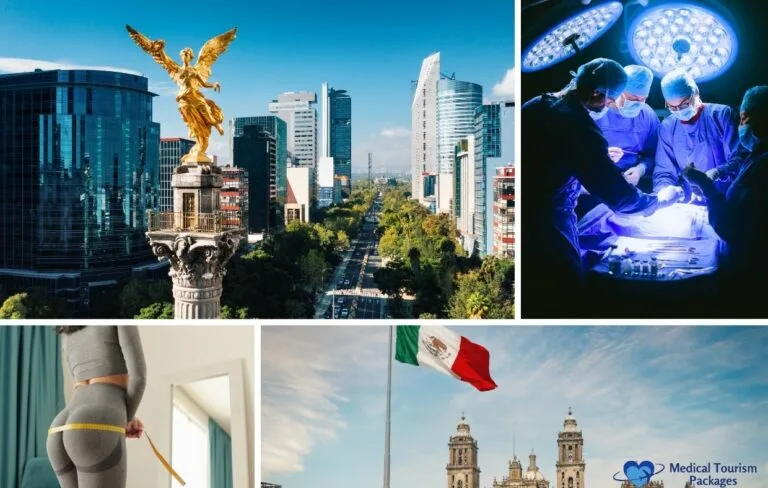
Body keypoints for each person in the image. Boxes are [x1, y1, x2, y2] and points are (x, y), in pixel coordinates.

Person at [522, 58, 678, 317]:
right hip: (546, 221)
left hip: (528, 212)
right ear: (596, 93)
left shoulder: (537, 104)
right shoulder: (578, 125)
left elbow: (549, 168)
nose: (609, 106)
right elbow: (620, 197)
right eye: (609, 100)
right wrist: (660, 201)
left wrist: (597, 165)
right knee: (562, 286)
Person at [684, 86, 768, 317]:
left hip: (751, 276)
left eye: (744, 117)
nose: (741, 123)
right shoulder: (757, 156)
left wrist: (706, 186)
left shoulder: (763, 165)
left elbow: (732, 227)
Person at [47, 326, 146, 488]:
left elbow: (80, 381)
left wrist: (128, 416)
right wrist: (127, 417)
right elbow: (138, 378)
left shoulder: (66, 331)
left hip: (60, 426)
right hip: (95, 421)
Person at [653, 69, 744, 197]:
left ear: (695, 93)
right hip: (690, 200)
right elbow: (664, 170)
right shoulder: (668, 127)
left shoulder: (721, 115)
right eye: (672, 107)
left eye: (684, 104)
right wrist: (664, 189)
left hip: (725, 196)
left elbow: (741, 159)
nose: (679, 110)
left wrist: (718, 172)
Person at [596, 64, 660, 187]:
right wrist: (598, 156)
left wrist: (640, 169)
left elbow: (653, 154)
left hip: (629, 183)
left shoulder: (647, 115)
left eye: (643, 99)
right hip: (592, 180)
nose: (638, 103)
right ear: (618, 91)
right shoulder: (596, 111)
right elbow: (572, 151)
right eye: (633, 98)